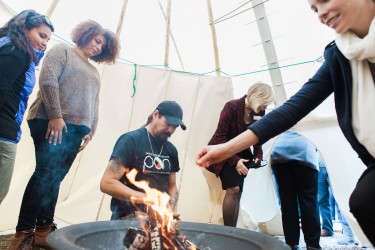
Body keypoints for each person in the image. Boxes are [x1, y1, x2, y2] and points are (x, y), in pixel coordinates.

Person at [196, 0, 375, 246]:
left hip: (269, 161)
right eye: (314, 8)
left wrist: (251, 156)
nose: (321, 13)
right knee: (363, 201)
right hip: (239, 161)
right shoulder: (339, 57)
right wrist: (227, 151)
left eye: (324, 1)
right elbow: (291, 110)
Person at [9, 20, 120, 250]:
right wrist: (56, 117)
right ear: (86, 34)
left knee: (53, 179)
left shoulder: (94, 72)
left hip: (76, 131)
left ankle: (43, 231)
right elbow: (48, 81)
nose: (98, 47)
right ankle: (22, 234)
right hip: (49, 121)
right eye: (97, 40)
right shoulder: (62, 51)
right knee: (45, 175)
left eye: (103, 46)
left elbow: (94, 105)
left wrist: (91, 131)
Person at [0, 10, 54, 205]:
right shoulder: (17, 52)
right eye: (42, 36)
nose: (44, 43)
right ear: (24, 29)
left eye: (48, 40)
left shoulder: (10, 46)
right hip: (3, 133)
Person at [100, 100, 186, 220]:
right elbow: (107, 183)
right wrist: (146, 198)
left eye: (175, 127)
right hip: (127, 220)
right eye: (168, 123)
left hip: (158, 221)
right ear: (156, 114)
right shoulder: (130, 141)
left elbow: (172, 186)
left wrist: (169, 210)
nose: (170, 130)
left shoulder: (171, 150)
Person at [206, 82, 274, 227]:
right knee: (233, 189)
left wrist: (257, 155)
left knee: (238, 192)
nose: (265, 108)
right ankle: (229, 232)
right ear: (257, 98)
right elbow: (219, 137)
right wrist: (235, 160)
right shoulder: (231, 107)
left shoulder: (259, 112)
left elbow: (258, 136)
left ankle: (234, 231)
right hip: (223, 152)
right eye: (264, 104)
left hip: (242, 153)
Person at [271, 130, 321, 250]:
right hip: (304, 151)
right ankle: (312, 244)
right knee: (308, 201)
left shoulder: (279, 111)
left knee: (287, 202)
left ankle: (291, 243)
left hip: (279, 151)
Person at [317, 152, 334, 237]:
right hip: (319, 166)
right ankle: (327, 229)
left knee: (340, 199)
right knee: (321, 200)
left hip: (333, 164)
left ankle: (349, 233)